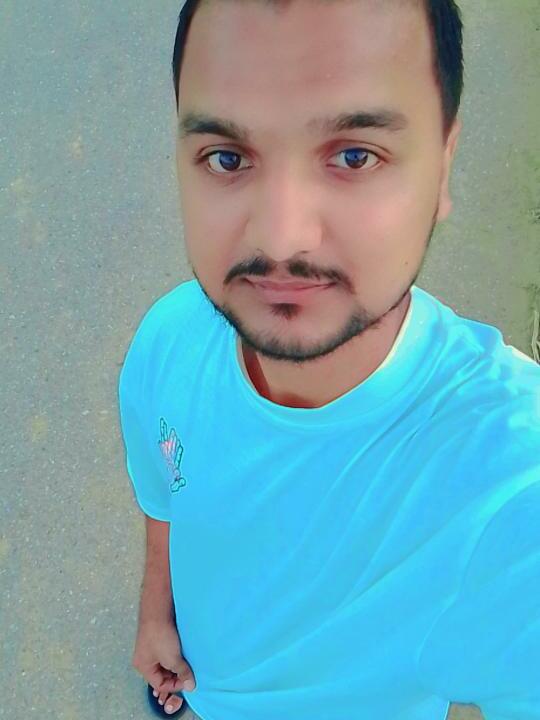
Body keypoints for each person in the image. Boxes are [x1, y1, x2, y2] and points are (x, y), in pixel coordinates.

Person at [118, 0, 540, 718]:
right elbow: (167, 492)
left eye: (354, 155)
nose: (282, 237)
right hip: (198, 684)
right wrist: (156, 611)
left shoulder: (501, 479)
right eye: (227, 157)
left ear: (444, 164)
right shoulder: (171, 337)